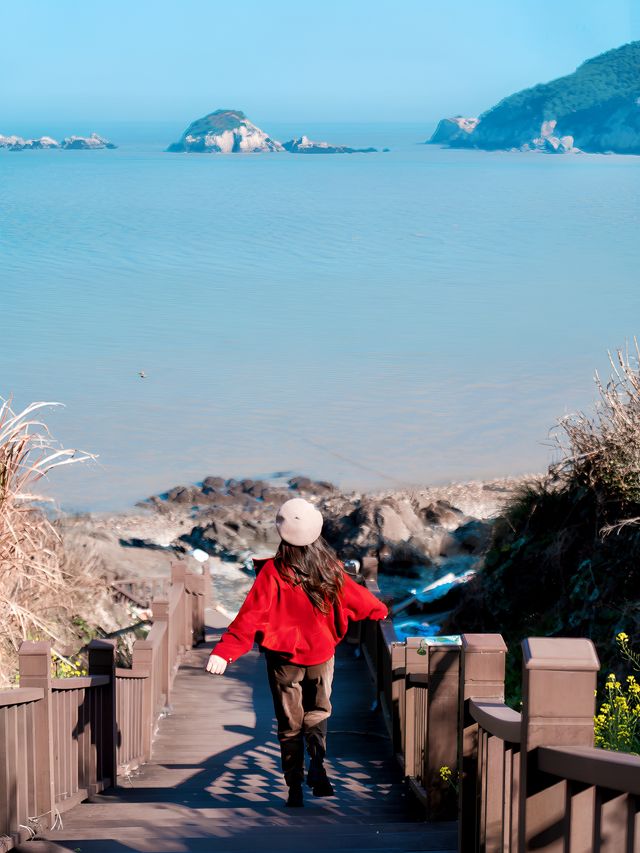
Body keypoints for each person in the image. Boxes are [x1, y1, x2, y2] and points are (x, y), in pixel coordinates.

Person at [205, 497, 388, 807]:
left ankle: (294, 788)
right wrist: (380, 610)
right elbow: (360, 600)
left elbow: (250, 617)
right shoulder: (329, 568)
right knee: (318, 712)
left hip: (283, 659)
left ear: (282, 532)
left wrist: (225, 651)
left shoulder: (273, 573)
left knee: (289, 724)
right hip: (320, 654)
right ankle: (317, 761)